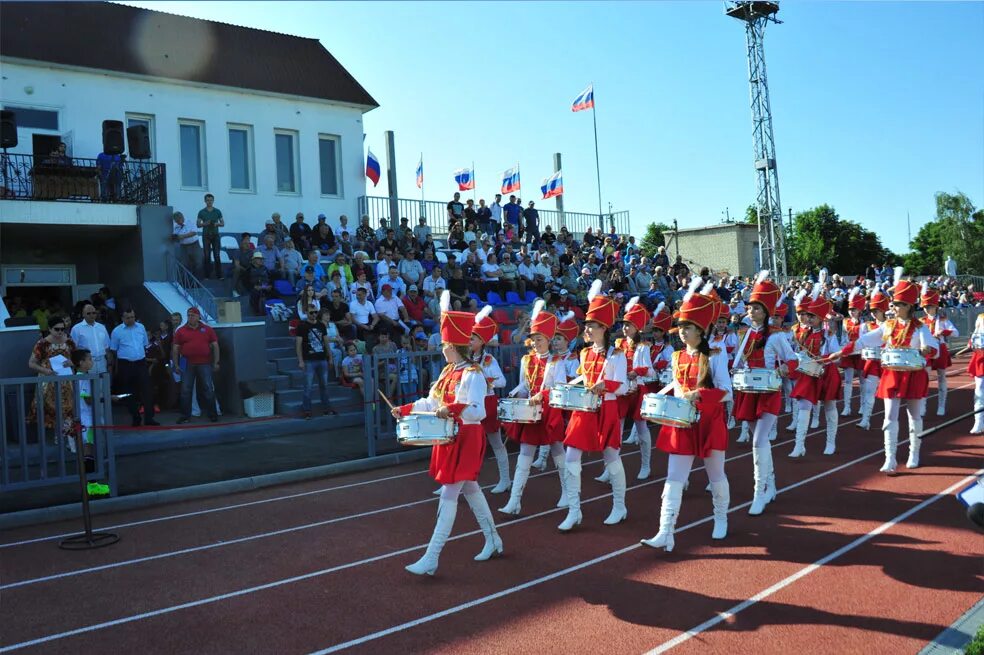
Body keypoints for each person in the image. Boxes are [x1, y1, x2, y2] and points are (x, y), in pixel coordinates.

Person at [392, 291, 503, 575]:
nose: (441, 349)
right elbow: (431, 402)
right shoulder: (447, 372)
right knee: (471, 490)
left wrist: (452, 409)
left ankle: (432, 556)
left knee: (449, 495)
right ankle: (493, 539)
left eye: (445, 344)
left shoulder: (474, 374)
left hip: (467, 437)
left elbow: (478, 411)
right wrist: (405, 409)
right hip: (450, 436)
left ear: (455, 345)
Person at [642, 280, 732, 551]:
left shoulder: (716, 354)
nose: (682, 332)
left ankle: (721, 518)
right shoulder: (677, 356)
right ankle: (665, 531)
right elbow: (679, 387)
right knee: (673, 478)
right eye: (680, 327)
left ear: (700, 330)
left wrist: (700, 395)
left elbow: (727, 390)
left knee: (716, 475)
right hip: (683, 422)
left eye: (687, 327)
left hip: (709, 421)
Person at [828, 269, 938, 471]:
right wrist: (841, 353)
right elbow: (863, 341)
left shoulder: (920, 327)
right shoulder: (887, 326)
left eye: (897, 304)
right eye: (893, 304)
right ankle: (891, 458)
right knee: (889, 416)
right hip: (892, 374)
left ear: (908, 306)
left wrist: (927, 350)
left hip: (913, 374)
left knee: (914, 416)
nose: (893, 307)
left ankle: (914, 453)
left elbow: (934, 348)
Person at [558, 280, 628, 531]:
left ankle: (619, 506)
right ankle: (574, 510)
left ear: (603, 328)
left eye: (590, 326)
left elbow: (623, 386)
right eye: (586, 325)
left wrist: (604, 386)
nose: (586, 330)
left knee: (611, 457)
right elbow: (583, 378)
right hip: (583, 410)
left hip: (606, 408)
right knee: (571, 457)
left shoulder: (617, 354)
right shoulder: (585, 353)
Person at [730, 272, 797, 515]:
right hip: (748, 391)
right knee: (759, 441)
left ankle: (759, 493)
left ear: (766, 312)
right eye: (750, 308)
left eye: (756, 308)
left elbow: (793, 361)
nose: (751, 311)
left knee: (758, 441)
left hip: (768, 392)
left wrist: (782, 369)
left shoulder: (777, 336)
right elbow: (740, 362)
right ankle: (771, 484)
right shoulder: (745, 334)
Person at [500, 301, 568, 514]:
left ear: (548, 340)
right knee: (525, 452)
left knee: (557, 450)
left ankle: (568, 492)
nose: (536, 343)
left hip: (549, 411)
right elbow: (524, 386)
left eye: (539, 339)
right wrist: (516, 398)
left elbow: (559, 388)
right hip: (530, 410)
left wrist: (543, 394)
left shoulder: (557, 362)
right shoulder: (526, 360)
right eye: (533, 339)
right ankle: (515, 500)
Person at [787, 278, 842, 457]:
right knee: (803, 406)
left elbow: (836, 356)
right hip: (809, 374)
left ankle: (831, 442)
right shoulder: (804, 335)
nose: (808, 319)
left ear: (820, 318)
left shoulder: (829, 334)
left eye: (812, 316)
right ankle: (799, 445)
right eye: (807, 316)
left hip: (827, 373)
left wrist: (823, 360)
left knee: (829, 407)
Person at [467, 307, 510, 494]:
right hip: (468, 405)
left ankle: (505, 479)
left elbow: (502, 381)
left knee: (496, 443)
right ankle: (459, 481)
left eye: (472, 338)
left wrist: (484, 379)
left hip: (487, 403)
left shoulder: (489, 360)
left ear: (482, 342)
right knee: (465, 443)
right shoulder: (464, 359)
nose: (469, 341)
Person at [27, 313, 76, 436]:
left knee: (69, 408)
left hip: (67, 382)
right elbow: (31, 363)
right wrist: (46, 371)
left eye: (62, 329)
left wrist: (72, 362)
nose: (60, 332)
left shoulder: (69, 341)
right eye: (57, 329)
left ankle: (68, 435)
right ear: (49, 329)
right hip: (48, 382)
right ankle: (56, 435)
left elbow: (77, 358)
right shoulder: (42, 344)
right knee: (49, 409)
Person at [110, 307, 158, 427]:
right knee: (129, 393)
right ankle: (135, 417)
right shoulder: (117, 331)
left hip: (140, 363)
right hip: (125, 364)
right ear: (122, 318)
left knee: (147, 390)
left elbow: (144, 344)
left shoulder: (141, 327)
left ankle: (149, 418)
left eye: (132, 317)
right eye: (128, 318)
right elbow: (114, 350)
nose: (131, 320)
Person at [172, 307, 219, 424]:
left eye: (192, 315)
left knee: (208, 388)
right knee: (185, 390)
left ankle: (213, 414)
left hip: (204, 363)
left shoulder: (207, 329)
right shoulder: (181, 331)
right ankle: (185, 416)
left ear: (199, 317)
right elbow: (175, 349)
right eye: (188, 315)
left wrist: (216, 362)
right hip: (187, 363)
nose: (190, 317)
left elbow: (215, 346)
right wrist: (176, 365)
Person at [921, 283, 958, 416]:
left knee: (941, 376)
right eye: (925, 307)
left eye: (929, 306)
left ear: (935, 307)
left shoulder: (942, 319)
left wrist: (943, 331)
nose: (927, 309)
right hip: (927, 350)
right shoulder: (922, 321)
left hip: (940, 348)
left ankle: (941, 405)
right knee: (924, 376)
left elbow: (956, 333)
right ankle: (922, 405)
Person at [295, 305, 337, 419]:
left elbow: (326, 341)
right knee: (308, 386)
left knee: (324, 385)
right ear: (306, 313)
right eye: (311, 312)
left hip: (322, 358)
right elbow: (298, 345)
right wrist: (300, 361)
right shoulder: (302, 326)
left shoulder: (321, 325)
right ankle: (307, 410)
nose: (313, 314)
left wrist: (330, 358)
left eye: (315, 312)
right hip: (309, 360)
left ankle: (326, 408)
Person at [857, 289, 889, 430]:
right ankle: (866, 420)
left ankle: (888, 420)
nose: (873, 313)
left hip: (888, 361)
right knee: (869, 391)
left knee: (889, 394)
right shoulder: (867, 326)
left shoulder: (891, 325)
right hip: (872, 361)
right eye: (872, 310)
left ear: (883, 310)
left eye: (876, 310)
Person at [839, 288, 867, 417]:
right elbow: (844, 337)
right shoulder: (845, 322)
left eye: (854, 310)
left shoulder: (865, 323)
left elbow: (865, 338)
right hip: (849, 353)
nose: (852, 312)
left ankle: (863, 405)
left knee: (862, 380)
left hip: (861, 353)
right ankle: (847, 406)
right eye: (850, 310)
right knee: (848, 380)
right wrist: (846, 347)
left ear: (860, 311)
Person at [70, 304, 112, 375]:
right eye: (88, 313)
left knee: (102, 385)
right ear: (83, 314)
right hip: (86, 362)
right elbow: (73, 349)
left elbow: (107, 347)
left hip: (102, 361)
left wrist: (109, 364)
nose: (91, 315)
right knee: (88, 385)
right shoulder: (76, 329)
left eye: (93, 313)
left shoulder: (102, 327)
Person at [196, 194, 225, 279]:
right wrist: (205, 223)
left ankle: (219, 275)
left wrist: (217, 224)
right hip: (206, 236)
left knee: (217, 255)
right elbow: (198, 224)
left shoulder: (217, 211)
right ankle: (207, 276)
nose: (209, 202)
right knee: (207, 255)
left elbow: (223, 223)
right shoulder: (201, 212)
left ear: (213, 201)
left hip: (215, 235)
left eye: (211, 200)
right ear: (205, 201)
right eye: (208, 200)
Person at [966, 313, 984, 434]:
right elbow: (976, 334)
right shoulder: (981, 317)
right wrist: (971, 342)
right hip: (981, 357)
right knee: (979, 389)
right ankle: (978, 421)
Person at [172, 212, 203, 277]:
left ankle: (198, 281)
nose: (177, 222)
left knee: (198, 263)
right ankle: (187, 282)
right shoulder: (176, 226)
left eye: (178, 221)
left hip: (194, 245)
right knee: (185, 264)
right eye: (176, 221)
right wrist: (175, 238)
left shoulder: (190, 222)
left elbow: (194, 232)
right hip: (183, 247)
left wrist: (183, 236)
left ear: (182, 217)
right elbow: (176, 237)